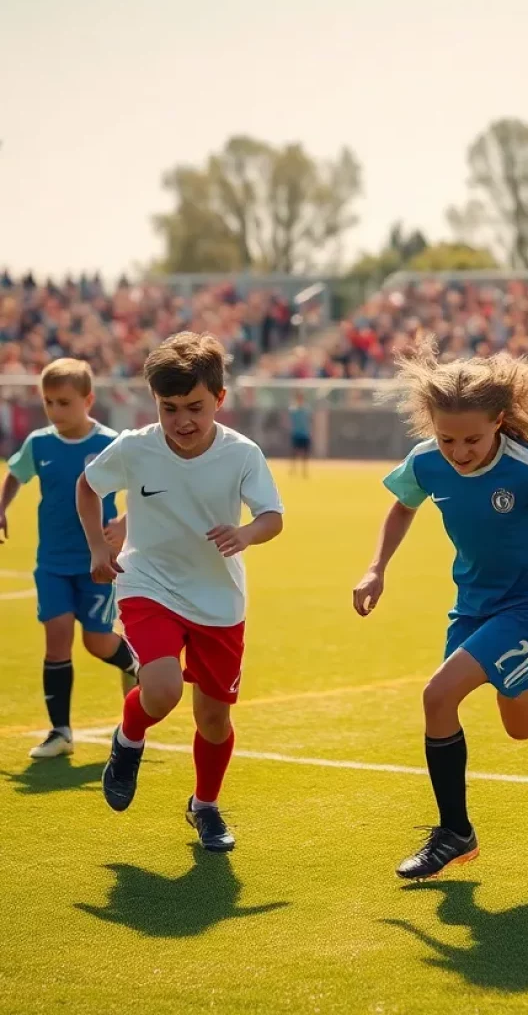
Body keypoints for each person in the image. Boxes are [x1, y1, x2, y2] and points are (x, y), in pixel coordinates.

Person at [353, 343, 528, 881]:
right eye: (448, 438)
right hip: (473, 605)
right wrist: (376, 567)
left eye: (472, 439)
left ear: (499, 421)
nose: (458, 451)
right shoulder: (427, 460)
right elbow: (402, 505)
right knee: (522, 722)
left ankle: (455, 833)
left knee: (438, 695)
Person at [77, 333, 284, 852]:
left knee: (213, 719)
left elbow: (272, 517)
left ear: (219, 399)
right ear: (156, 404)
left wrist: (246, 534)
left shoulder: (242, 454)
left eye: (195, 406)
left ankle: (205, 807)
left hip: (219, 599)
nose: (182, 420)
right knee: (163, 688)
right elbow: (88, 486)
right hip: (148, 582)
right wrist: (99, 551)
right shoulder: (135, 447)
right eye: (170, 408)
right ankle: (129, 739)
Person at [0, 359, 138, 759]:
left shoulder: (111, 444)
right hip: (53, 563)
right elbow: (16, 474)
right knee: (56, 639)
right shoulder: (39, 443)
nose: (55, 412)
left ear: (88, 400)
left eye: (64, 402)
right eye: (48, 403)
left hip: (99, 563)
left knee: (96, 642)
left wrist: (125, 524)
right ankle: (60, 732)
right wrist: (3, 506)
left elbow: (146, 487)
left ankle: (133, 666)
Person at [289, 391, 313, 477]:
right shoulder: (293, 409)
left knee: (305, 454)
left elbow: (310, 421)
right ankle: (293, 470)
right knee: (294, 453)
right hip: (296, 434)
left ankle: (304, 471)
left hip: (305, 434)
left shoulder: (306, 410)